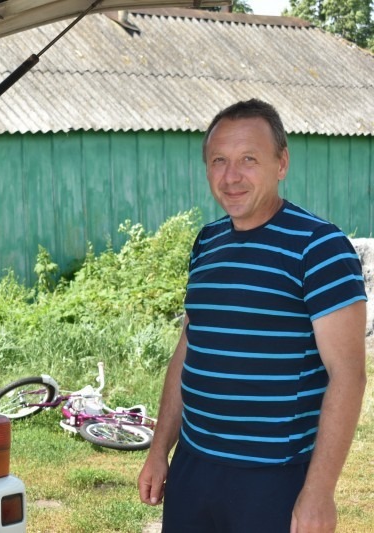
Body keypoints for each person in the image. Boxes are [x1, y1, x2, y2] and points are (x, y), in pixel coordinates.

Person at [137, 99, 367, 532]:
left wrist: (318, 493)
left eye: (248, 160)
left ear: (281, 163)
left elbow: (349, 373)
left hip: (273, 478)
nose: (231, 176)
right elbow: (189, 348)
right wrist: (159, 450)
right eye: (219, 160)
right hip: (194, 466)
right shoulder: (207, 243)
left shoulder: (319, 249)